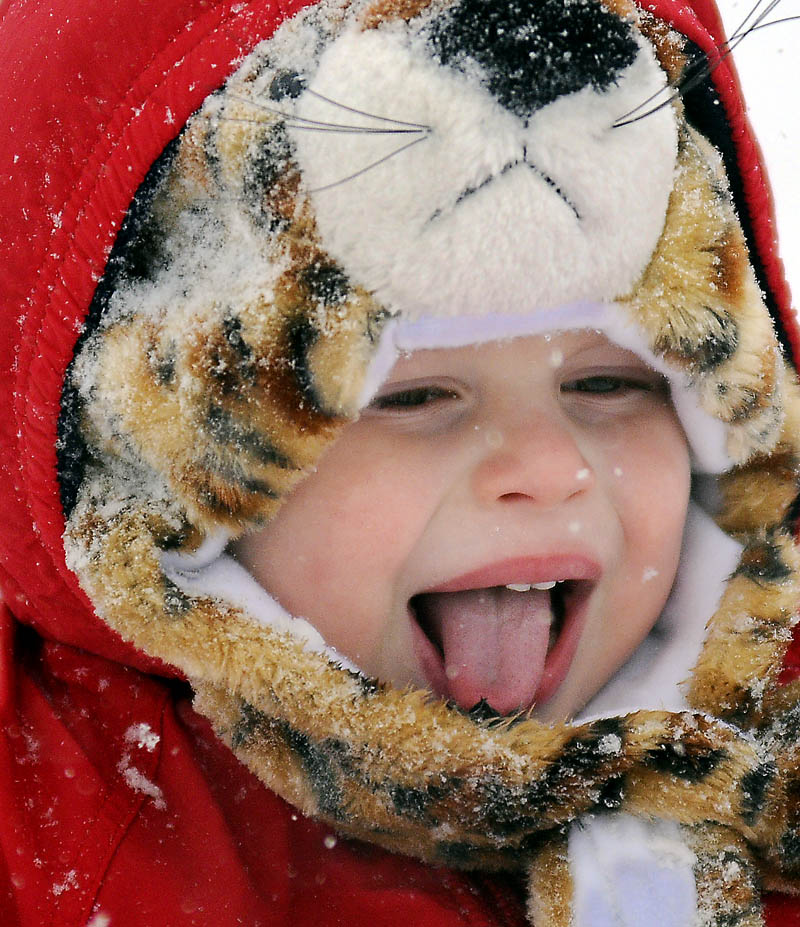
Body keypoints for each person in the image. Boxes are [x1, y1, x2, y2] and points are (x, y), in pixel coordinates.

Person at [2, 0, 800, 925]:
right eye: (413, 397)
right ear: (175, 466)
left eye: (610, 385)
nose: (546, 467)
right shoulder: (60, 809)